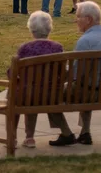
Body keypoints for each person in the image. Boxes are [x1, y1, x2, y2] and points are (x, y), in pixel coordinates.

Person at [48, 1, 101, 147]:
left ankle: (66, 133)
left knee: (48, 94)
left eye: (78, 16)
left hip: (89, 92)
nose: (76, 20)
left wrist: (62, 73)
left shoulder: (85, 41)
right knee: (86, 84)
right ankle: (85, 132)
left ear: (89, 19)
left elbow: (76, 75)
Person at [12, 11, 64, 149]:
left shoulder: (25, 48)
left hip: (27, 95)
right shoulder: (57, 48)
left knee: (18, 94)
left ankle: (13, 137)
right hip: (50, 95)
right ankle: (29, 137)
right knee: (33, 92)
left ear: (31, 28)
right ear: (49, 28)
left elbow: (13, 72)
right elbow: (62, 72)